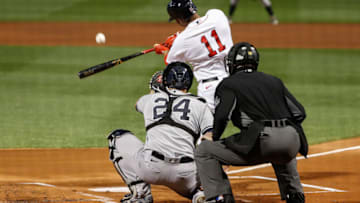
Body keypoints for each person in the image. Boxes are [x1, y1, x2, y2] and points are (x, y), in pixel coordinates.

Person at [195, 42, 308, 203]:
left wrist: (216, 137)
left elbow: (222, 116)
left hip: (264, 139)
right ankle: (295, 195)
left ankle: (220, 198)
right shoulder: (274, 81)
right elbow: (299, 113)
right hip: (292, 140)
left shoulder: (229, 84)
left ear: (232, 64)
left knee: (205, 151)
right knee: (281, 145)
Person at [107, 62, 214, 203]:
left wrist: (155, 90)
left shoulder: (150, 100)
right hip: (185, 174)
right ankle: (198, 192)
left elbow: (137, 104)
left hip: (151, 169)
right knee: (210, 153)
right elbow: (210, 138)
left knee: (117, 137)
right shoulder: (200, 104)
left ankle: (141, 194)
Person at [154, 0, 234, 113]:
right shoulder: (217, 15)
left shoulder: (183, 40)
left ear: (179, 19)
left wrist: (164, 50)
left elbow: (172, 64)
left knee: (207, 129)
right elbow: (201, 29)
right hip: (236, 80)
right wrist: (179, 37)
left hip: (210, 90)